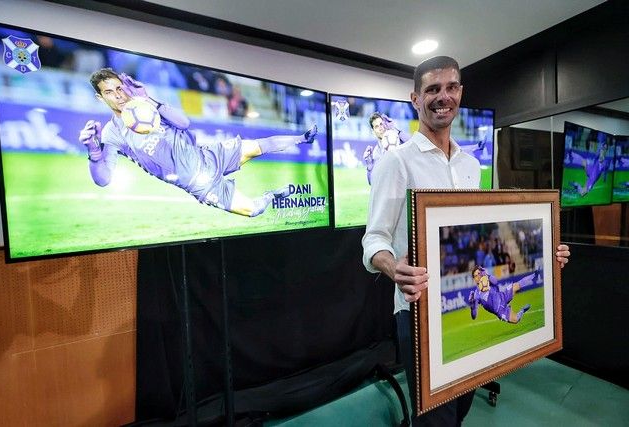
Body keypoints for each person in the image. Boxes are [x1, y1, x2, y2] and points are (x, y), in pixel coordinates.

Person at [361, 56, 571, 426]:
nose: (443, 97)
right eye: (432, 90)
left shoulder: (470, 165)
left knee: (459, 409)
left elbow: (482, 230)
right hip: (419, 313)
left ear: (460, 92)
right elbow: (373, 239)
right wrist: (395, 268)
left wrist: (544, 254)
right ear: (415, 99)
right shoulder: (396, 162)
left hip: (457, 309)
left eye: (451, 87)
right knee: (435, 419)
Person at [79, 68, 317, 217]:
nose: (119, 95)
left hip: (208, 155)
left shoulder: (146, 106)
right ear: (100, 98)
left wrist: (148, 99)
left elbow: (183, 123)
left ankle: (302, 138)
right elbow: (103, 179)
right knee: (253, 210)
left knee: (257, 145)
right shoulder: (112, 134)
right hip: (201, 185)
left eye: (119, 87)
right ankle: (272, 195)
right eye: (110, 92)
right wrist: (93, 151)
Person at [469, 266, 538, 323]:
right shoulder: (476, 294)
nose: (478, 276)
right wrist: (472, 307)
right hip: (500, 310)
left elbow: (496, 282)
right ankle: (521, 311)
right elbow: (474, 316)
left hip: (503, 296)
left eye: (479, 273)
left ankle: (534, 274)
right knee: (516, 320)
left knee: (516, 285)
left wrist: (486, 275)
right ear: (474, 279)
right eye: (475, 276)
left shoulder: (488, 280)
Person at [362, 112, 409, 184]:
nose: (380, 128)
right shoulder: (376, 153)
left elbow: (413, 145)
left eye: (381, 124)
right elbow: (372, 183)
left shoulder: (399, 138)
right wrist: (370, 167)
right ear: (373, 131)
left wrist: (394, 129)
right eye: (376, 126)